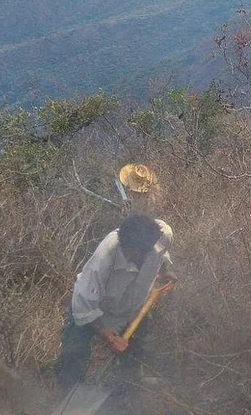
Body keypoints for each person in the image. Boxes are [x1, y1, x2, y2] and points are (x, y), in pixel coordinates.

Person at [55, 166, 176, 390]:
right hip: (92, 307)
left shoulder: (162, 235)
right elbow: (83, 305)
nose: (135, 259)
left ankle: (128, 386)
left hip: (131, 308)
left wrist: (164, 270)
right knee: (74, 353)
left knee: (134, 351)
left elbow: (162, 253)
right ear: (124, 245)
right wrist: (108, 337)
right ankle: (68, 393)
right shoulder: (107, 253)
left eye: (142, 256)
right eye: (130, 254)